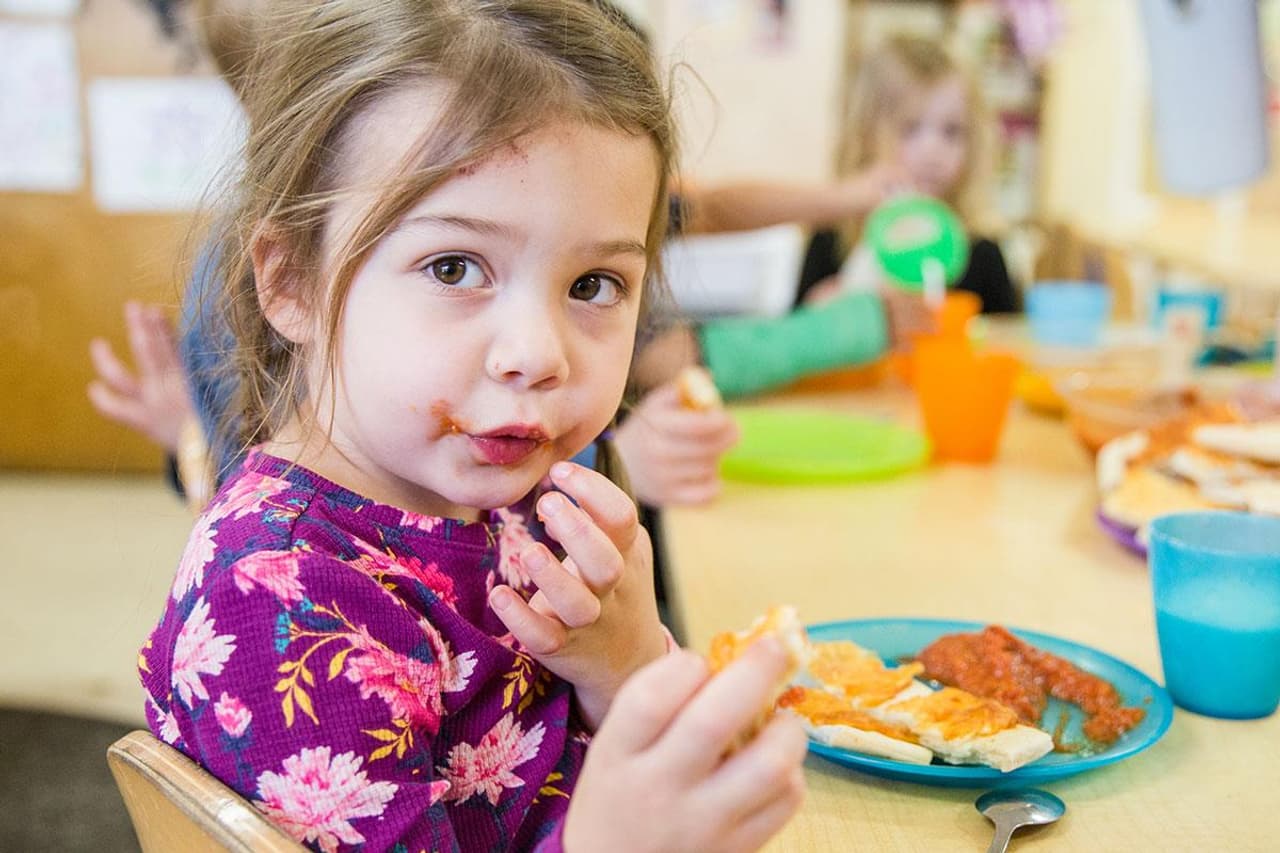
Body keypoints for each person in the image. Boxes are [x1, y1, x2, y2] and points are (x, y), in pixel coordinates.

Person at [138, 2, 806, 851]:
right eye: (455, 267)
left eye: (595, 284)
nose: (538, 354)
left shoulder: (523, 493)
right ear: (293, 282)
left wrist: (627, 660)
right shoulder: (277, 603)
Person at [795, 33, 1020, 314]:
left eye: (952, 131)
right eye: (910, 129)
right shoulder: (832, 241)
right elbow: (796, 339)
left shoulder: (982, 251)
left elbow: (1005, 341)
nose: (932, 151)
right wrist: (824, 307)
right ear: (866, 136)